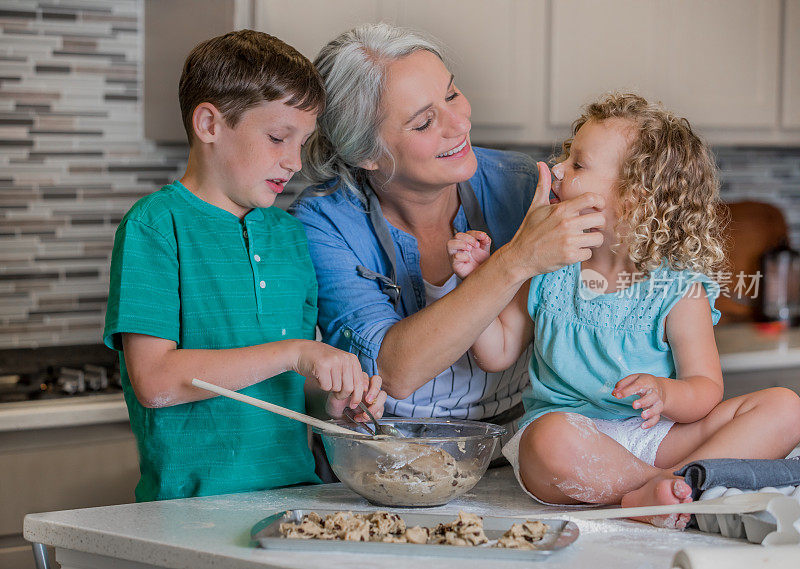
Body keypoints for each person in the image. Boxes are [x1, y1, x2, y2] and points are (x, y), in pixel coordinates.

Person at [449, 92, 800, 527]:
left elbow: (706, 388)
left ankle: (664, 486)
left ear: (633, 199)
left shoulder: (678, 287)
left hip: (656, 437)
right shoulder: (549, 265)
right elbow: (496, 351)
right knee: (548, 438)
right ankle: (673, 490)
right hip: (576, 442)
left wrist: (666, 393)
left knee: (786, 407)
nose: (556, 170)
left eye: (577, 164)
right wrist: (480, 281)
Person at [289, 23, 605, 450]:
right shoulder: (323, 224)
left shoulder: (523, 185)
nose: (459, 125)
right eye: (424, 123)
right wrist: (516, 259)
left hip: (525, 447)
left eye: (452, 95)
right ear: (365, 153)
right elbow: (395, 372)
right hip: (386, 455)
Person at [103, 30, 385, 502]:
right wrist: (295, 352)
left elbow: (289, 383)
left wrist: (331, 402)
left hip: (297, 500)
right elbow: (154, 381)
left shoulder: (290, 236)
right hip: (189, 508)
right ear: (210, 124)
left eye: (302, 142)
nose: (294, 161)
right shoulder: (154, 226)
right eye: (278, 138)